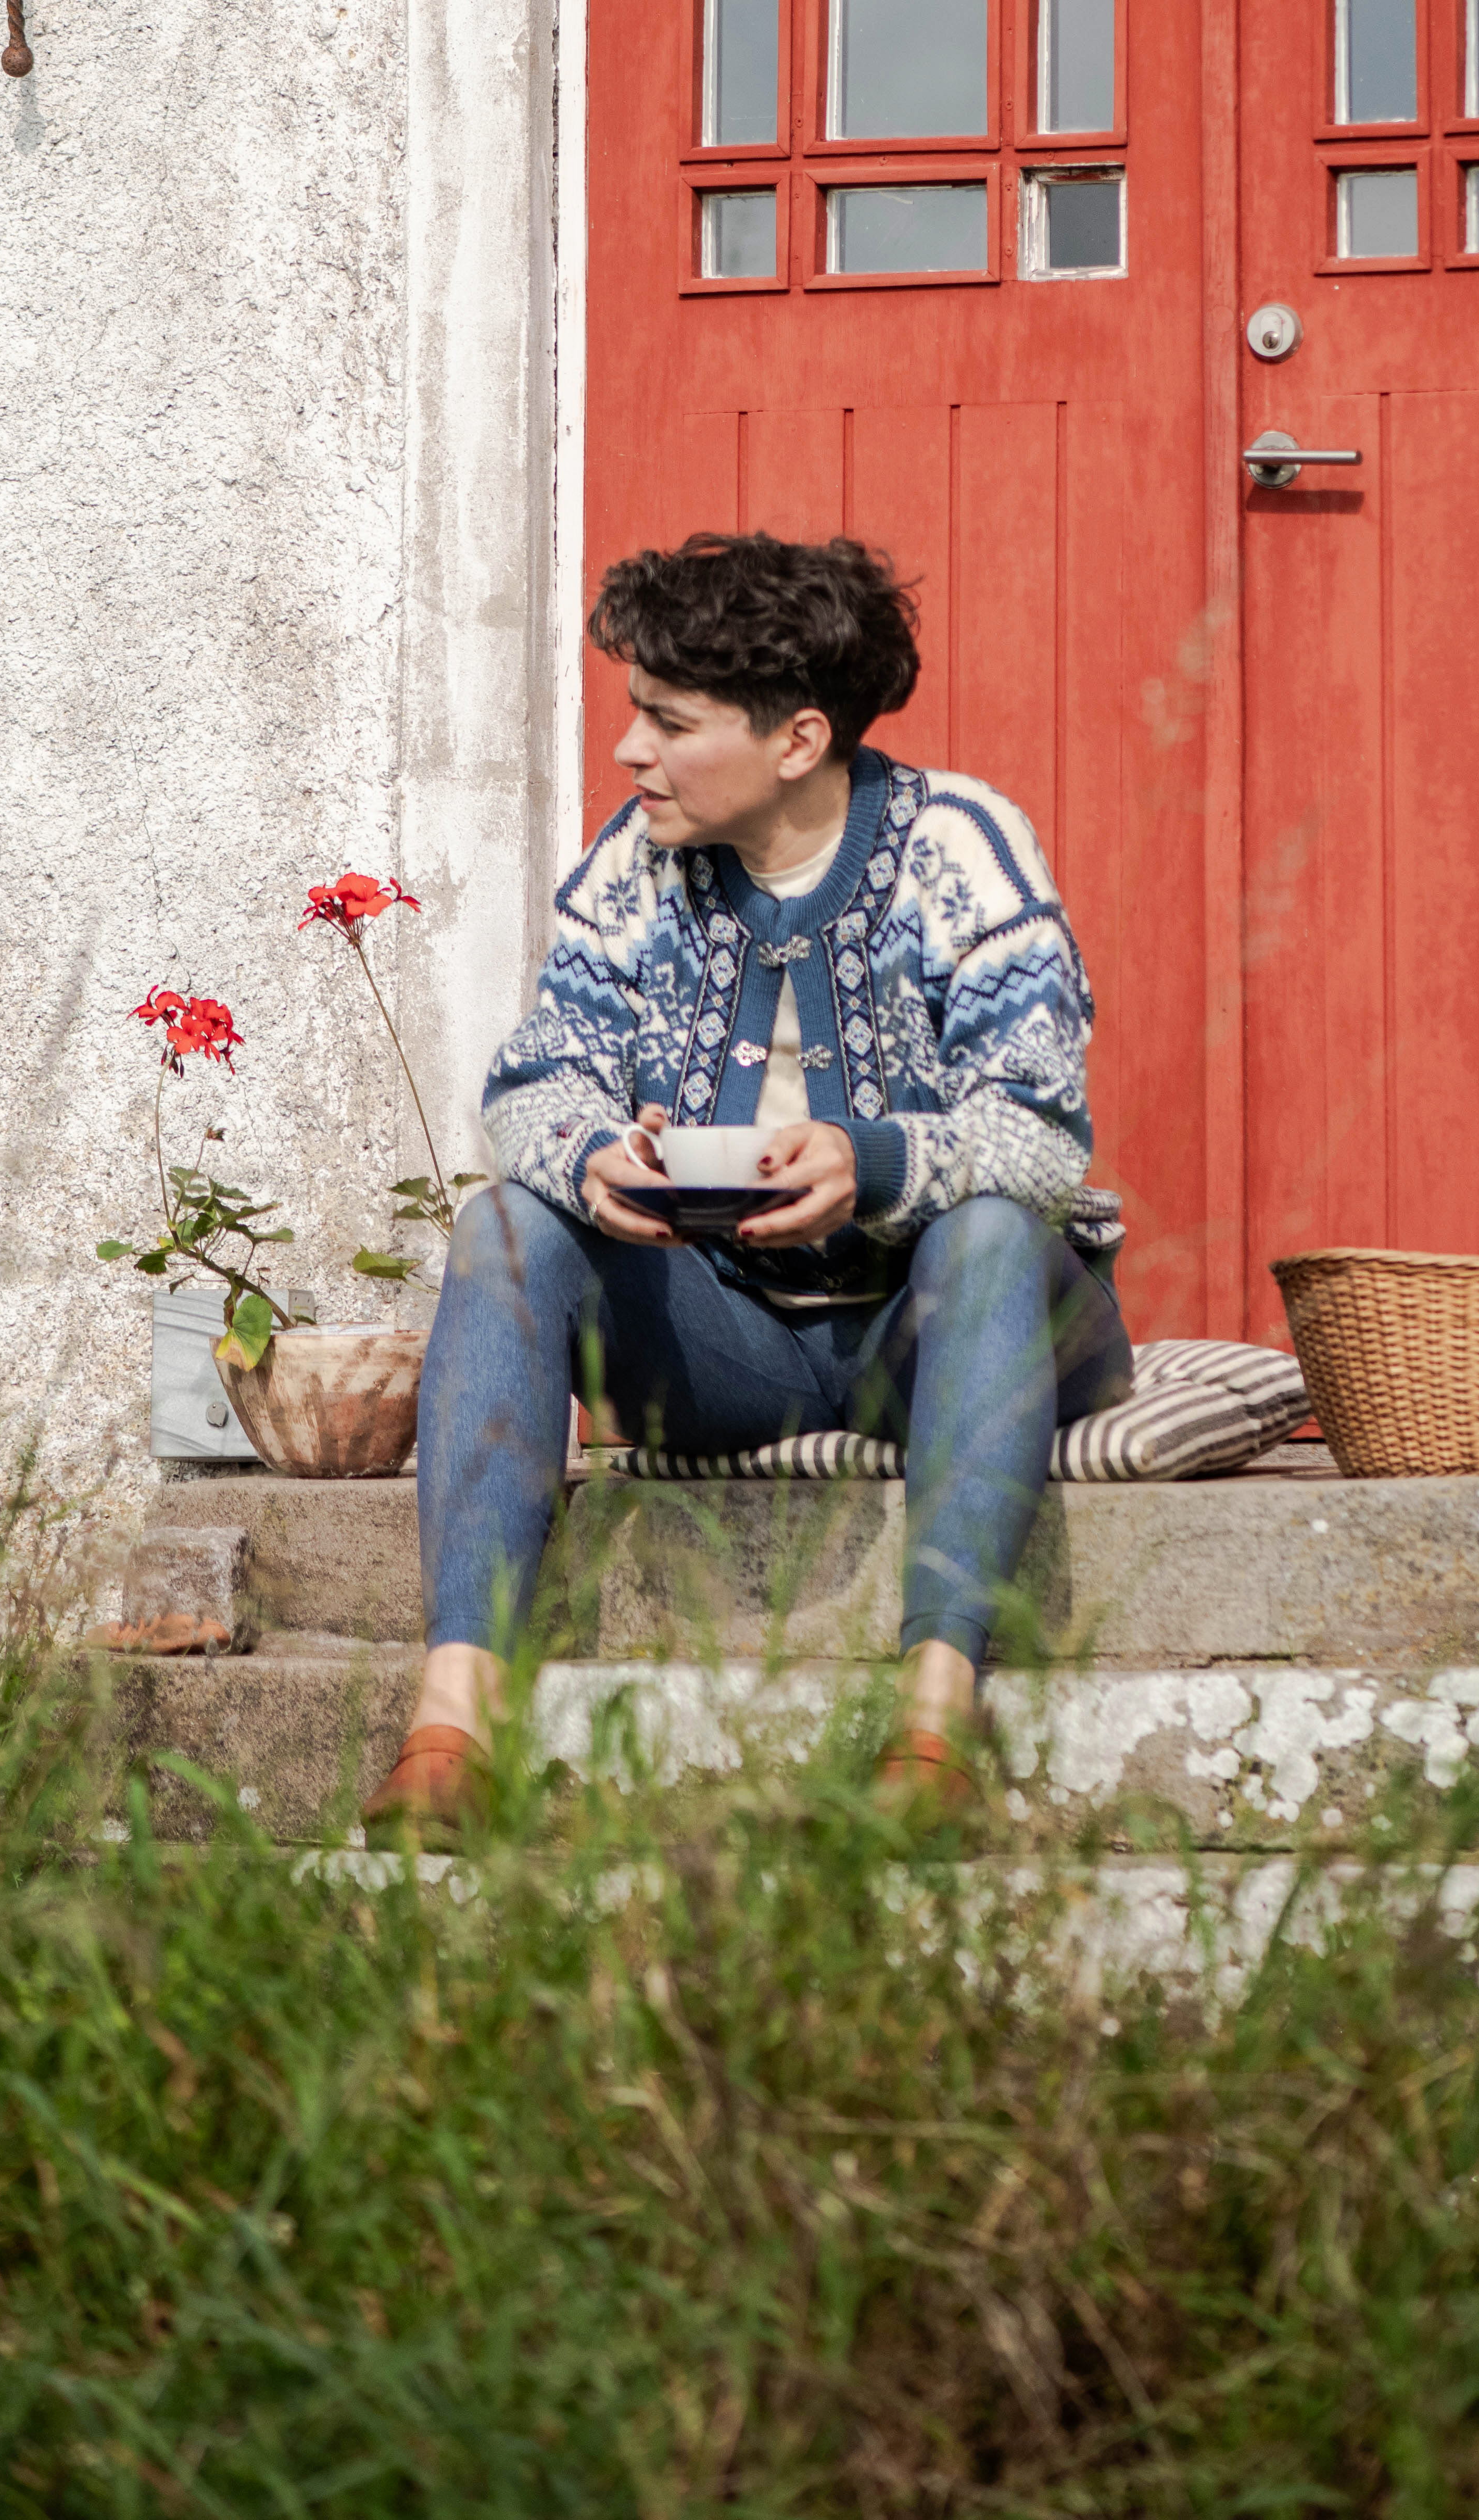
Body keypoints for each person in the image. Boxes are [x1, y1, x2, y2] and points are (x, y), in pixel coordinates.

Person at [365, 531, 1131, 1829]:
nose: (629, 752)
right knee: (503, 1221)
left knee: (996, 1228)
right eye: (631, 715)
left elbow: (1044, 1135)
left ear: (796, 739)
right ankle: (452, 1728)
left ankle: (934, 1740)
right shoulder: (634, 864)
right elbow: (537, 1084)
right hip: (730, 1348)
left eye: (669, 721)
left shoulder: (963, 845)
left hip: (945, 1329)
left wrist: (874, 1158)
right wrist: (592, 1155)